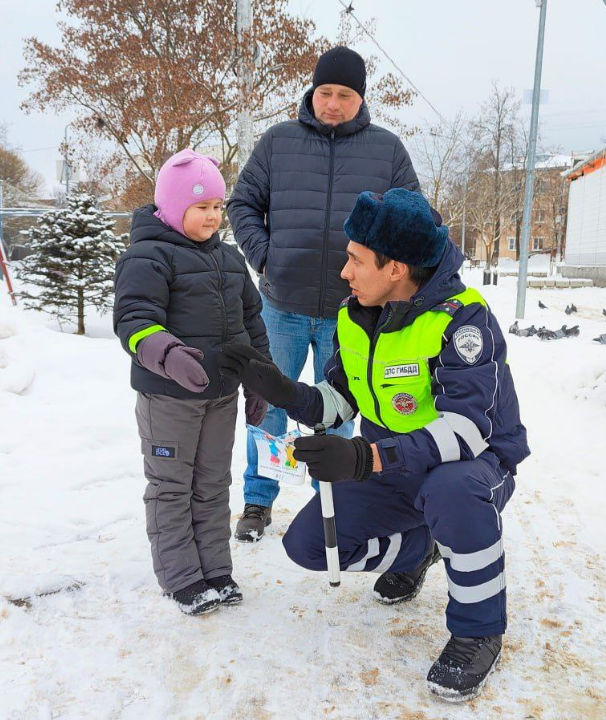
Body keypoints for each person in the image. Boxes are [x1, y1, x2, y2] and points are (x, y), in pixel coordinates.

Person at [219, 188, 529, 701]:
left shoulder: (464, 320)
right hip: (396, 465)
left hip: (474, 466)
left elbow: (468, 429)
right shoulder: (356, 315)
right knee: (311, 546)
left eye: (356, 260)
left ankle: (477, 632)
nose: (345, 272)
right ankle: (420, 548)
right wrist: (283, 389)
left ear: (396, 269)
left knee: (452, 492)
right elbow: (340, 399)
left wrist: (365, 457)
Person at [228, 46, 420, 541]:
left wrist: (391, 281)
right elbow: (242, 201)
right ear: (313, 91)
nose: (333, 104)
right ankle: (257, 500)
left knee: (339, 409)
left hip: (352, 313)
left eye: (345, 95)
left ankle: (330, 504)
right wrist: (265, 255)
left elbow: (413, 219)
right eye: (325, 92)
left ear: (361, 98)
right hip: (282, 306)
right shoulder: (277, 142)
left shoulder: (388, 150)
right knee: (268, 406)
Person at [113, 149, 271, 615]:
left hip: (219, 396)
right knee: (171, 486)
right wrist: (167, 353)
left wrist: (259, 378)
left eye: (218, 207)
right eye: (202, 207)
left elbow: (251, 321)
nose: (213, 216)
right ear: (172, 205)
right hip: (169, 399)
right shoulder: (147, 257)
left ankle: (216, 570)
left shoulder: (228, 258)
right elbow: (134, 319)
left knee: (213, 483)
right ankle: (182, 576)